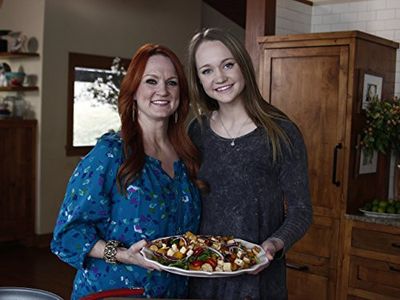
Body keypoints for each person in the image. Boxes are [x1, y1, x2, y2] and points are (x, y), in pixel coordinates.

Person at [51, 43, 204, 299]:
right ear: (133, 91)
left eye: (172, 82)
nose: (162, 91)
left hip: (174, 292)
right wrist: (123, 254)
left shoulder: (187, 156)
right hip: (116, 292)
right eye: (151, 81)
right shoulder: (110, 154)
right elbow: (67, 235)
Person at [186, 28, 313, 300]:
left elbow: (301, 211)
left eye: (227, 65)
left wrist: (274, 244)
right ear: (198, 79)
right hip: (202, 281)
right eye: (206, 71)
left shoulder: (281, 132)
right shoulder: (196, 132)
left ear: (243, 65)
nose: (219, 77)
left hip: (258, 284)